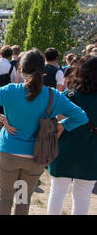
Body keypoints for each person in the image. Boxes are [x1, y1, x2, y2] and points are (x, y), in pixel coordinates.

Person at [0, 49, 88, 215]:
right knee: (22, 198)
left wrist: (2, 118)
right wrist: (61, 125)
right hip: (36, 155)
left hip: (9, 152)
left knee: (5, 197)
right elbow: (81, 117)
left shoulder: (10, 90)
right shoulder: (53, 95)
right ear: (43, 71)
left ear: (20, 69)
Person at [47, 54, 97, 215]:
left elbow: (50, 120)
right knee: (83, 197)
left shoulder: (69, 97)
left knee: (57, 192)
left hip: (64, 151)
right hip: (91, 154)